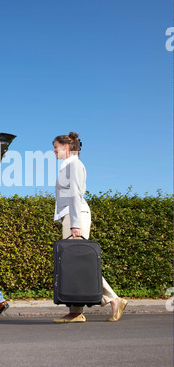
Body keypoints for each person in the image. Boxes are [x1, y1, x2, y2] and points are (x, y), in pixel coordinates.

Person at [52, 132, 127, 323]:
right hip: (70, 216)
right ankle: (76, 311)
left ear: (66, 147)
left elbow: (76, 194)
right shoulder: (67, 166)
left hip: (76, 216)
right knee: (75, 264)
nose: (54, 151)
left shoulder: (74, 165)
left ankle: (112, 300)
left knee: (79, 264)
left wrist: (75, 223)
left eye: (56, 147)